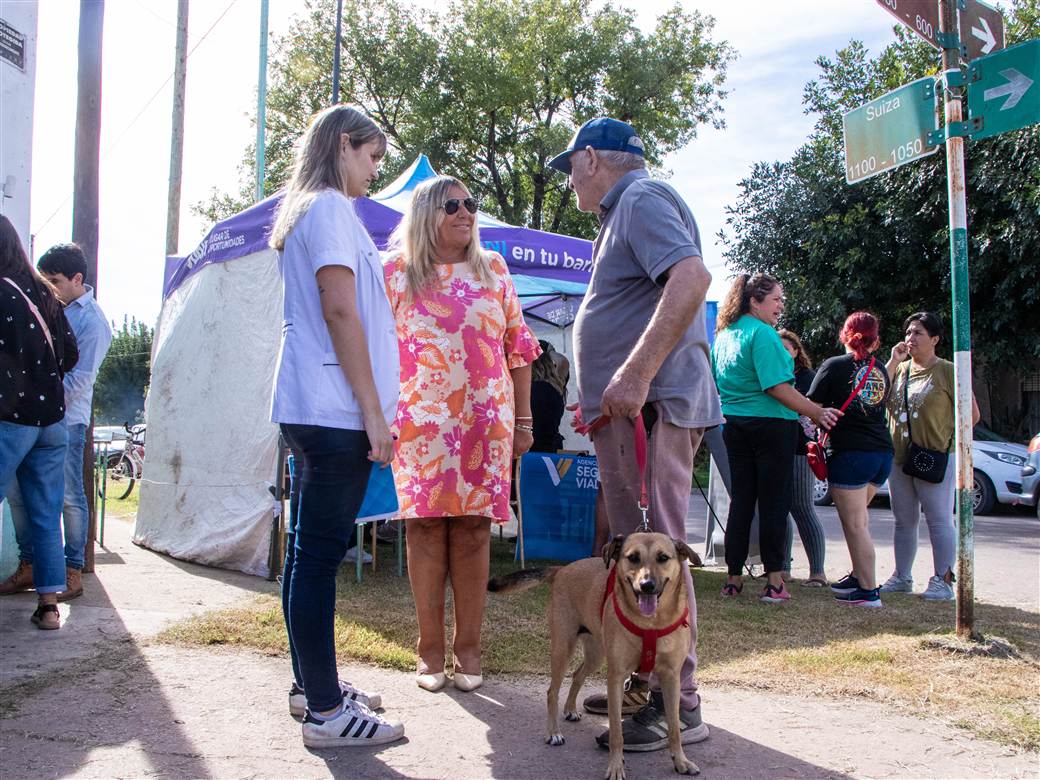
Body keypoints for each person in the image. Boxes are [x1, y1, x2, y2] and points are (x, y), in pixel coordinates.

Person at [548, 116, 722, 752]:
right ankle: (650, 685)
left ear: (591, 158)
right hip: (629, 412)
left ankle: (683, 701)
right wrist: (600, 395)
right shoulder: (623, 212)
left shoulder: (641, 199)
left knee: (661, 553)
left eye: (570, 167)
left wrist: (635, 373)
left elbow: (693, 279)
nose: (568, 181)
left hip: (654, 408)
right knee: (641, 550)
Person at [267, 104, 404, 747]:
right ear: (344, 145)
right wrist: (373, 412)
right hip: (333, 409)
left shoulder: (321, 210)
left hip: (317, 403)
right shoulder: (325, 208)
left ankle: (311, 686)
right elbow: (341, 309)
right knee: (319, 558)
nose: (376, 170)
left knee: (308, 555)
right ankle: (325, 711)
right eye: (373, 155)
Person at [384, 175, 540, 694]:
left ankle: (469, 649)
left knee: (475, 531)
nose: (466, 212)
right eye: (452, 205)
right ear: (427, 213)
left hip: (483, 423)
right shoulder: (396, 275)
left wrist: (523, 421)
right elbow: (376, 351)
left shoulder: (494, 269)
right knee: (424, 530)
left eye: (471, 204)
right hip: (420, 426)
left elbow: (519, 350)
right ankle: (429, 650)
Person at [711, 273, 840, 604]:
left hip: (735, 425)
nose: (782, 305)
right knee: (773, 505)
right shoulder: (763, 335)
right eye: (777, 299)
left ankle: (733, 578)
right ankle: (774, 582)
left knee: (742, 502)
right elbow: (777, 387)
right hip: (771, 427)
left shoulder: (724, 335)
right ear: (755, 301)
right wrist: (815, 411)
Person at [0, 243, 112, 601]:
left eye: (55, 280)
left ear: (77, 279)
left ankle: (72, 569)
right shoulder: (48, 304)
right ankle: (30, 566)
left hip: (63, 419)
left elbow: (81, 379)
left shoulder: (91, 320)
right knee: (19, 497)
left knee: (67, 499)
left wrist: (39, 400)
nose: (48, 286)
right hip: (35, 417)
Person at [0, 216, 79, 630]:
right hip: (51, 421)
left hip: (9, 419)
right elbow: (69, 355)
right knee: (46, 514)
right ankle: (49, 606)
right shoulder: (44, 294)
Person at [881, 311, 980, 601]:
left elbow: (971, 415)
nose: (910, 338)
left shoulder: (947, 370)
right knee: (903, 519)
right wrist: (893, 360)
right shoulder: (900, 369)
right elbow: (877, 394)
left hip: (935, 456)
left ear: (935, 339)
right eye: (908, 332)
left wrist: (946, 437)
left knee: (938, 519)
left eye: (918, 333)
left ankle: (943, 580)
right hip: (899, 456)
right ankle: (902, 576)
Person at [807, 312, 893, 607]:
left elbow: (811, 406)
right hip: (882, 453)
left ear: (844, 334)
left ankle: (869, 592)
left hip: (851, 453)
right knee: (861, 521)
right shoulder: (879, 367)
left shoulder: (834, 366)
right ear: (875, 339)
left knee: (855, 525)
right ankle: (859, 577)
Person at [777, 329, 827, 586]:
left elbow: (814, 410)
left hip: (801, 450)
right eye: (778, 348)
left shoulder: (808, 378)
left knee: (803, 508)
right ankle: (782, 568)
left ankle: (817, 571)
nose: (782, 353)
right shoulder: (770, 375)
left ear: (796, 351)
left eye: (787, 348)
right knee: (780, 509)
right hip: (776, 449)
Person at [530, 340, 567, 452]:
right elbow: (562, 361)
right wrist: (550, 351)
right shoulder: (557, 385)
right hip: (552, 448)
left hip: (530, 449)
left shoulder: (528, 388)